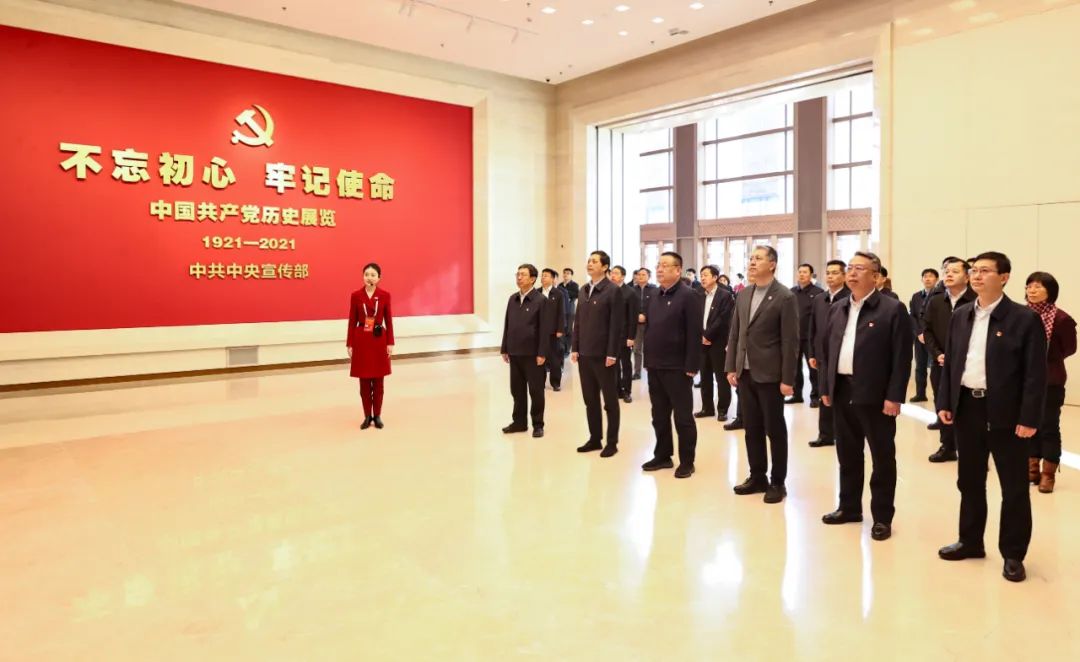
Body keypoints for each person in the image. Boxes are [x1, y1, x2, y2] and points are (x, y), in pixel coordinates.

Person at [936, 252, 1047, 583]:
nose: (976, 276)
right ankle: (970, 541)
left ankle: (1013, 554)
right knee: (969, 480)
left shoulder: (1024, 319)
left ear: (1005, 277)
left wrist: (1029, 417)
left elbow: (1035, 375)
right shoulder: (961, 315)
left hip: (1007, 413)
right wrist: (946, 401)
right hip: (967, 408)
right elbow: (952, 363)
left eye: (985, 271)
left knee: (1013, 487)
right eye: (973, 270)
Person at [819, 252, 911, 541]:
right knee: (847, 454)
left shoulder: (892, 309)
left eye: (860, 268)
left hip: (876, 395)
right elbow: (827, 351)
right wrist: (826, 388)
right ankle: (849, 507)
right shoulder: (838, 308)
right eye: (850, 268)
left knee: (882, 458)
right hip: (842, 390)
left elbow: (902, 357)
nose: (852, 273)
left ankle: (882, 517)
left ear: (876, 276)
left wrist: (894, 396)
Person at [725, 245, 800, 504]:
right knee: (752, 428)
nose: (752, 262)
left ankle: (778, 482)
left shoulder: (784, 297)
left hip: (770, 375)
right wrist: (731, 366)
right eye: (751, 258)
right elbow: (735, 332)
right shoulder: (744, 294)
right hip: (745, 373)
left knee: (774, 430)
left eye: (758, 258)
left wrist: (788, 379)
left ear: (772, 264)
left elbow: (790, 342)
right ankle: (757, 476)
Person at [641, 252, 704, 478]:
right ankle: (663, 455)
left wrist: (692, 365)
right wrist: (648, 360)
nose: (659, 269)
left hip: (678, 367)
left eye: (665, 266)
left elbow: (695, 332)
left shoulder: (689, 295)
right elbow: (650, 329)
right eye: (658, 265)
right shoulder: (654, 295)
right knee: (659, 415)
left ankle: (687, 461)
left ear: (678, 270)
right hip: (655, 365)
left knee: (683, 417)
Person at [1025, 271, 1077, 493]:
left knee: (1048, 426)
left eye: (1038, 286)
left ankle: (1048, 474)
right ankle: (1031, 468)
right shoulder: (1021, 315)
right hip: (1023, 380)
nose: (1032, 290)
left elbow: (1069, 348)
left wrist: (1045, 359)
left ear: (1050, 291)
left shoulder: (1062, 319)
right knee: (1028, 424)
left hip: (1050, 380)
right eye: (1029, 286)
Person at [572, 251, 625, 457]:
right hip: (585, 354)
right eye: (589, 261)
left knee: (610, 401)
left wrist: (612, 353)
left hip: (604, 356)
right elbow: (578, 321)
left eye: (594, 261)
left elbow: (616, 325)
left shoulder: (613, 290)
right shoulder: (584, 289)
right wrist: (575, 347)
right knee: (590, 400)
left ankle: (612, 442)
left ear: (604, 267)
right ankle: (595, 438)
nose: (590, 264)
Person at [922, 258, 975, 462]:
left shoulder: (975, 301)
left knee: (968, 408)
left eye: (955, 271)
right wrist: (937, 354)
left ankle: (973, 450)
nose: (949, 274)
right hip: (941, 363)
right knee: (942, 404)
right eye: (946, 271)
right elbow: (927, 330)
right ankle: (948, 446)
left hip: (968, 366)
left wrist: (959, 357)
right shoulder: (936, 301)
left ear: (967, 277)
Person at [500, 264, 548, 438]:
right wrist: (505, 348)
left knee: (536, 391)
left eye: (523, 275)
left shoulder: (540, 300)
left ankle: (538, 424)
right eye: (517, 274)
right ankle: (519, 422)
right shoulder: (512, 299)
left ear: (533, 279)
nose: (519, 278)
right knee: (517, 391)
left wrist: (542, 353)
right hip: (515, 353)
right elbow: (508, 324)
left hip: (533, 355)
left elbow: (545, 329)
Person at [807, 259, 850, 447]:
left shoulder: (850, 298)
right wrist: (812, 353)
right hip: (823, 356)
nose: (830, 276)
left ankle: (844, 434)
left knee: (842, 396)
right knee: (824, 393)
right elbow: (813, 328)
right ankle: (825, 435)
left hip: (842, 356)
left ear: (844, 276)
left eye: (835, 273)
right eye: (828, 273)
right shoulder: (819, 299)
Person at [346, 262, 395, 430]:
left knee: (379, 381)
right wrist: (350, 343)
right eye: (366, 274)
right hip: (361, 340)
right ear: (363, 277)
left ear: (379, 278)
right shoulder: (356, 296)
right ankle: (367, 415)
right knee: (364, 381)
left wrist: (390, 342)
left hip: (379, 339)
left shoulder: (385, 295)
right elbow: (352, 320)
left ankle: (377, 415)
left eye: (373, 275)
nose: (369, 277)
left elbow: (389, 320)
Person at [696, 265, 735, 421]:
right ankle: (707, 408)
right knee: (705, 377)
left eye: (705, 275)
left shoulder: (725, 295)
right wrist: (701, 335)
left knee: (721, 378)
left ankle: (722, 409)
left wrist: (709, 335)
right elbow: (695, 316)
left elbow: (723, 318)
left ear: (715, 277)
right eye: (701, 275)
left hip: (718, 341)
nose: (702, 278)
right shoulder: (698, 294)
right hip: (701, 342)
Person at [789, 263, 825, 406]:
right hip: (794, 337)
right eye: (800, 272)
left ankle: (815, 396)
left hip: (810, 337)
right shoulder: (792, 292)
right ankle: (797, 395)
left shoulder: (819, 293)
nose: (802, 274)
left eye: (805, 272)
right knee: (795, 369)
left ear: (811, 275)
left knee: (813, 369)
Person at [909, 268, 939, 403]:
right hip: (919, 337)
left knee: (935, 367)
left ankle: (937, 395)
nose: (927, 278)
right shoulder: (916, 296)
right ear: (921, 279)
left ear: (937, 279)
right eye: (925, 276)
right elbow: (913, 316)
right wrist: (919, 333)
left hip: (934, 338)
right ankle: (920, 394)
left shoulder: (940, 295)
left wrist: (928, 334)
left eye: (931, 276)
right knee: (920, 367)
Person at [610, 266, 640, 403]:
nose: (613, 275)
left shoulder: (630, 293)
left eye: (616, 273)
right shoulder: (609, 290)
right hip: (610, 335)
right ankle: (616, 390)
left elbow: (633, 317)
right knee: (613, 363)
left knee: (626, 364)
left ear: (622, 276)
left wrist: (631, 337)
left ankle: (627, 391)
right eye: (612, 273)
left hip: (624, 335)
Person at [539, 268, 567, 391]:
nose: (543, 278)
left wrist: (560, 329)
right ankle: (540, 382)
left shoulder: (558, 293)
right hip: (539, 332)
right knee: (540, 357)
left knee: (555, 359)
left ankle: (555, 383)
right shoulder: (537, 292)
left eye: (546, 276)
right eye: (542, 275)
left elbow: (561, 312)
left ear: (552, 279)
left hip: (553, 332)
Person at [631, 268, 659, 380]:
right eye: (639, 274)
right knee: (637, 349)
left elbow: (656, 306)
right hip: (636, 323)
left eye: (643, 274)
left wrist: (646, 316)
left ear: (649, 276)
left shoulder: (654, 290)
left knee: (651, 348)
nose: (640, 276)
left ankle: (652, 369)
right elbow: (630, 307)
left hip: (651, 323)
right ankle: (637, 372)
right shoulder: (632, 290)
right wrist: (637, 316)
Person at [559, 268, 580, 356]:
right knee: (562, 328)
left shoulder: (574, 285)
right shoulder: (560, 285)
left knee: (569, 330)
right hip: (561, 309)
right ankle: (562, 349)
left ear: (571, 275)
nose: (566, 275)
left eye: (568, 273)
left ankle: (567, 349)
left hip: (570, 309)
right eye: (564, 273)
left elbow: (576, 294)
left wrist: (565, 292)